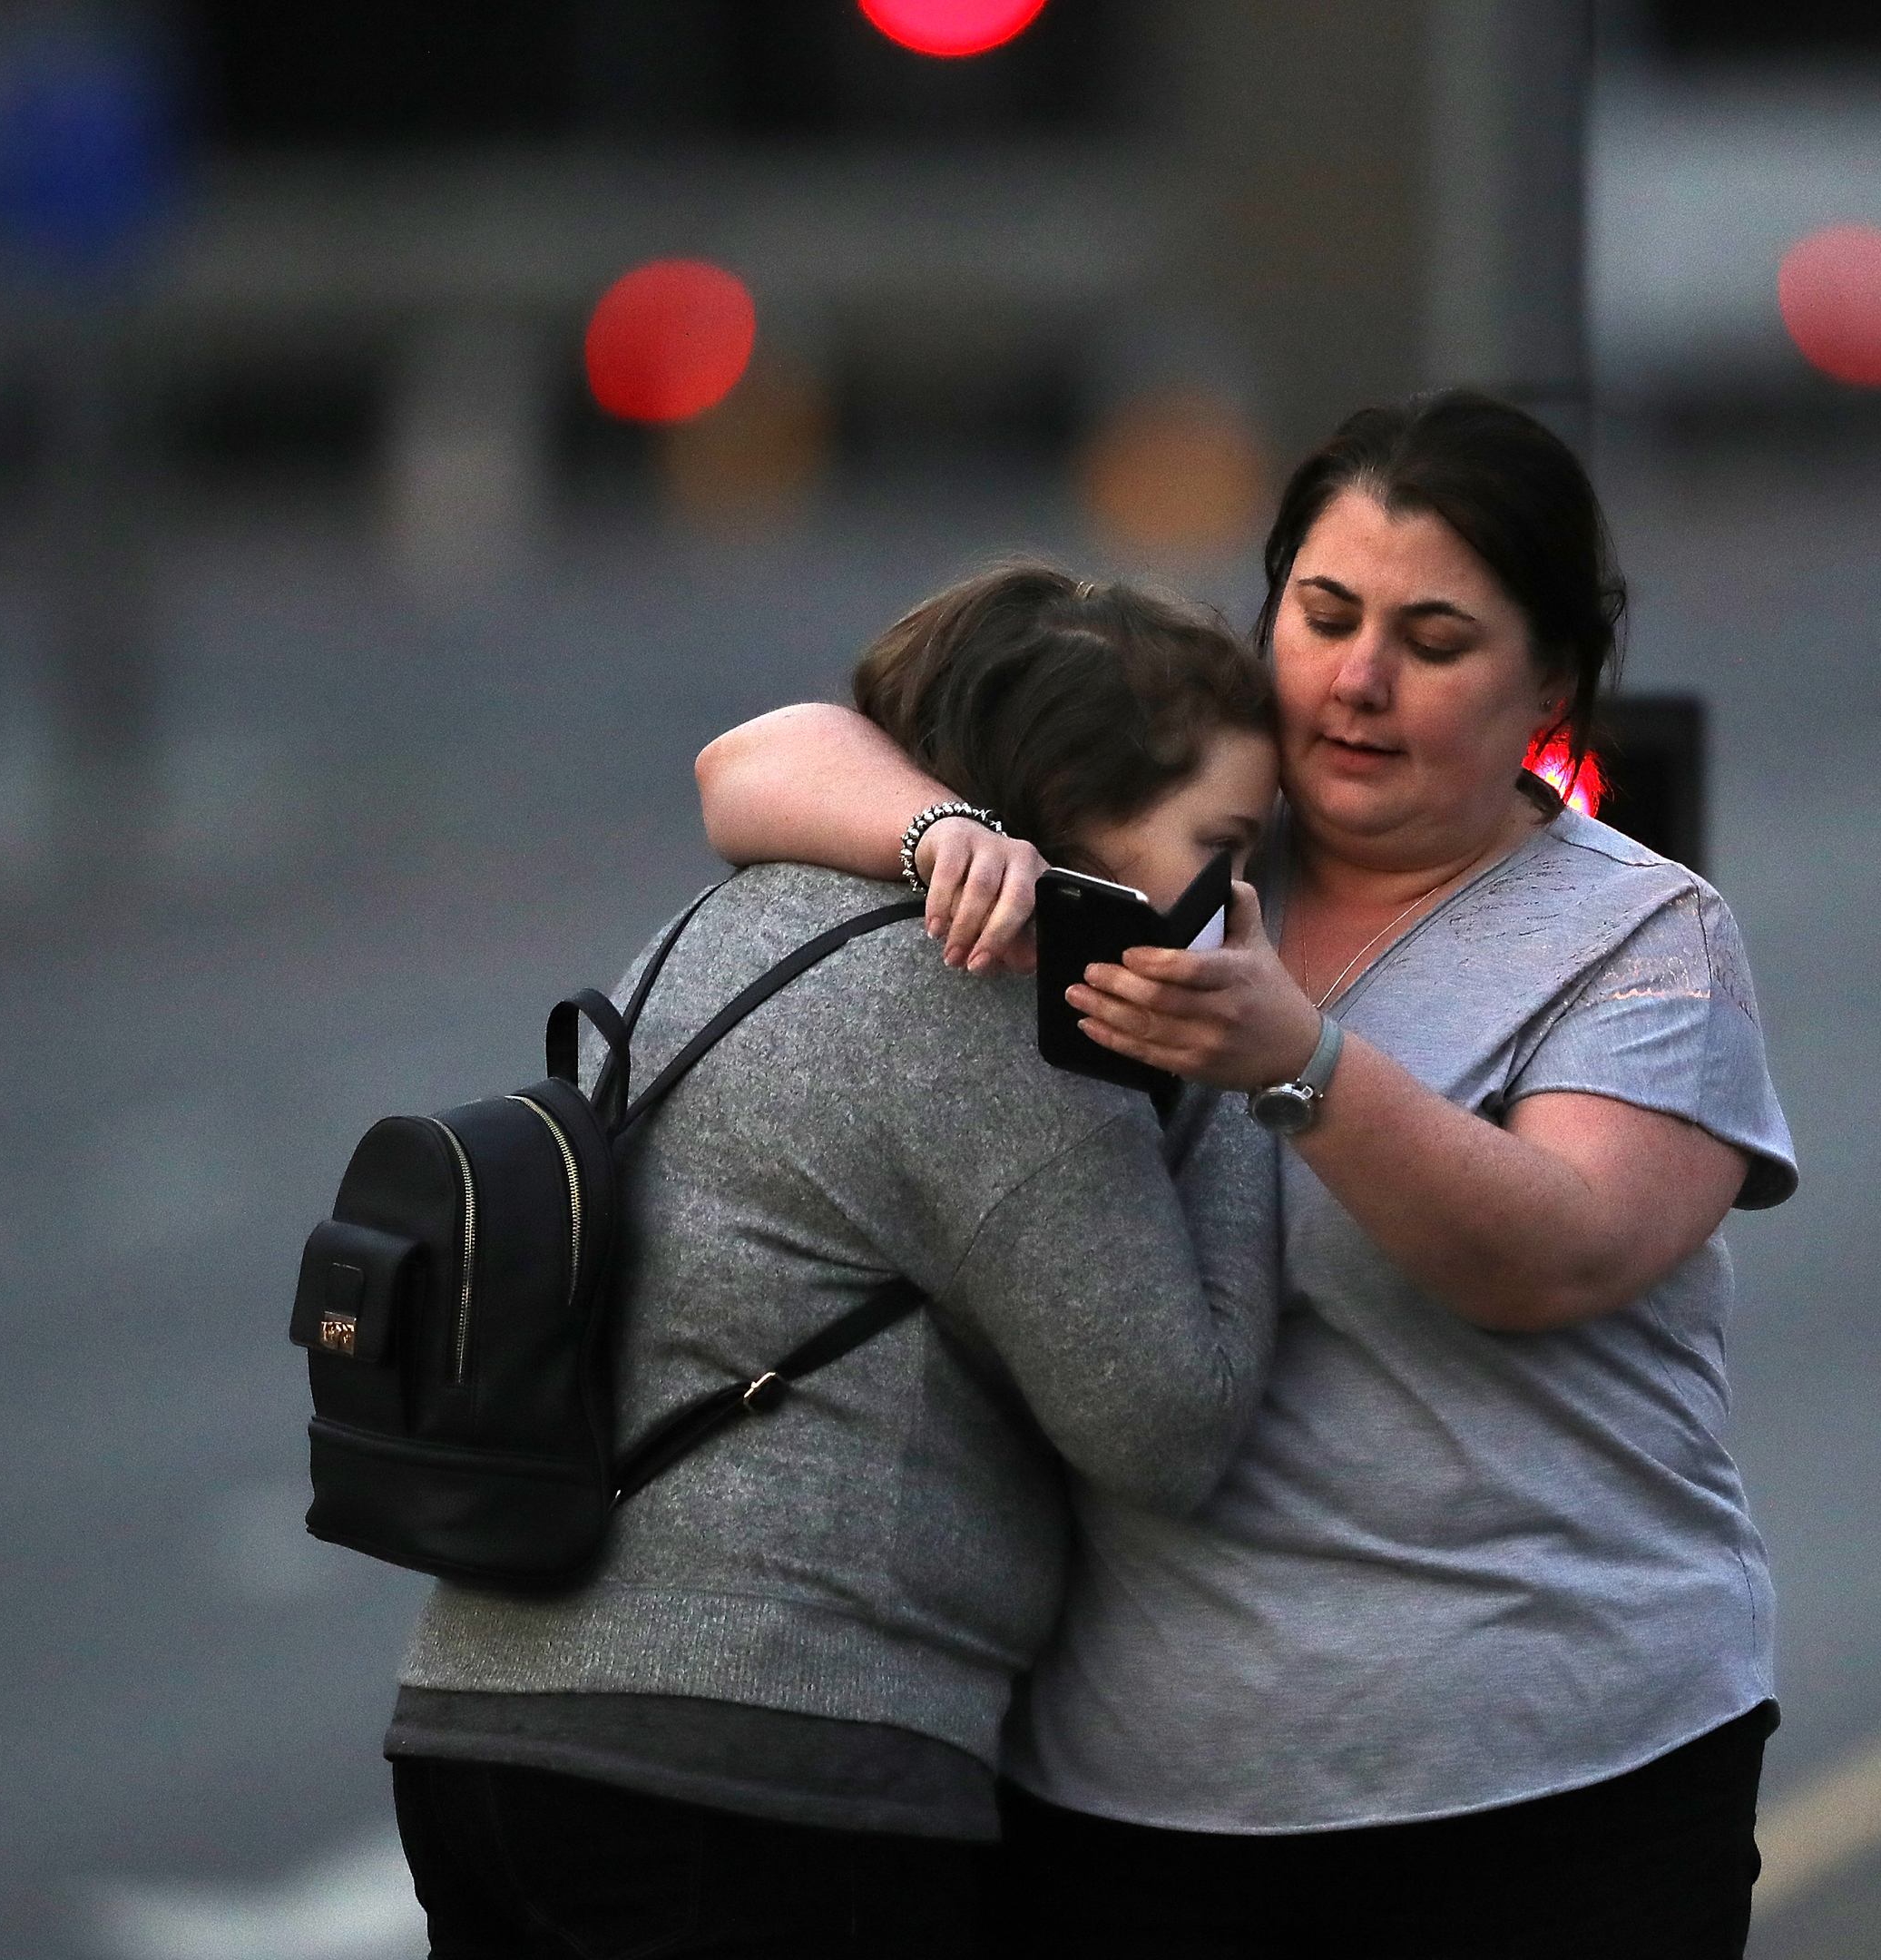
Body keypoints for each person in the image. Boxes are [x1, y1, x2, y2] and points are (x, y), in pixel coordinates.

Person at [691, 389, 1803, 1958]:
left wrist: (1303, 1061)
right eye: (1325, 614)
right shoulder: (1174, 833)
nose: (1359, 680)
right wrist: (943, 830)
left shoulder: (1640, 934)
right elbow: (758, 759)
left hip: (1555, 1786)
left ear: (1550, 679)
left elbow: (1557, 1255)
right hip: (1131, 1808)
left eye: (1435, 640)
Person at [386, 564, 1286, 1958]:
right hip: (756, 1773)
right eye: (1221, 848)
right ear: (1076, 815)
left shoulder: (729, 918)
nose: (1235, 902)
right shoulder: (985, 1015)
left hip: (481, 1721)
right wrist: (1241, 1075)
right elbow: (1168, 1422)